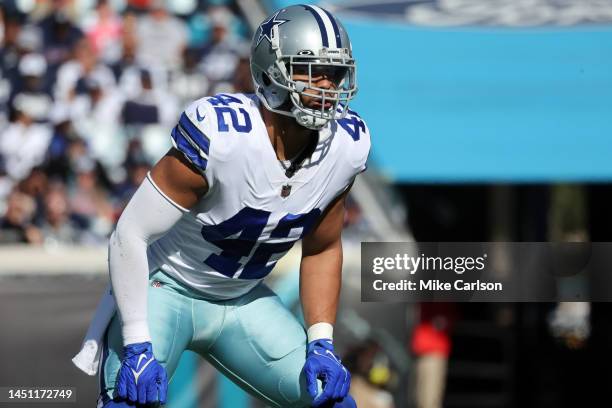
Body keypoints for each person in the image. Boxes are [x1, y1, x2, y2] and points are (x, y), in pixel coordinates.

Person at [74, 5, 367, 407]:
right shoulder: (224, 135)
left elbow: (323, 247)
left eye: (333, 74)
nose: (325, 85)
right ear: (271, 70)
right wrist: (138, 342)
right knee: (132, 399)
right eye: (308, 70)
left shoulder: (345, 147)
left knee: (332, 401)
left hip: (243, 298)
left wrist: (322, 341)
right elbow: (130, 233)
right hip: (166, 288)